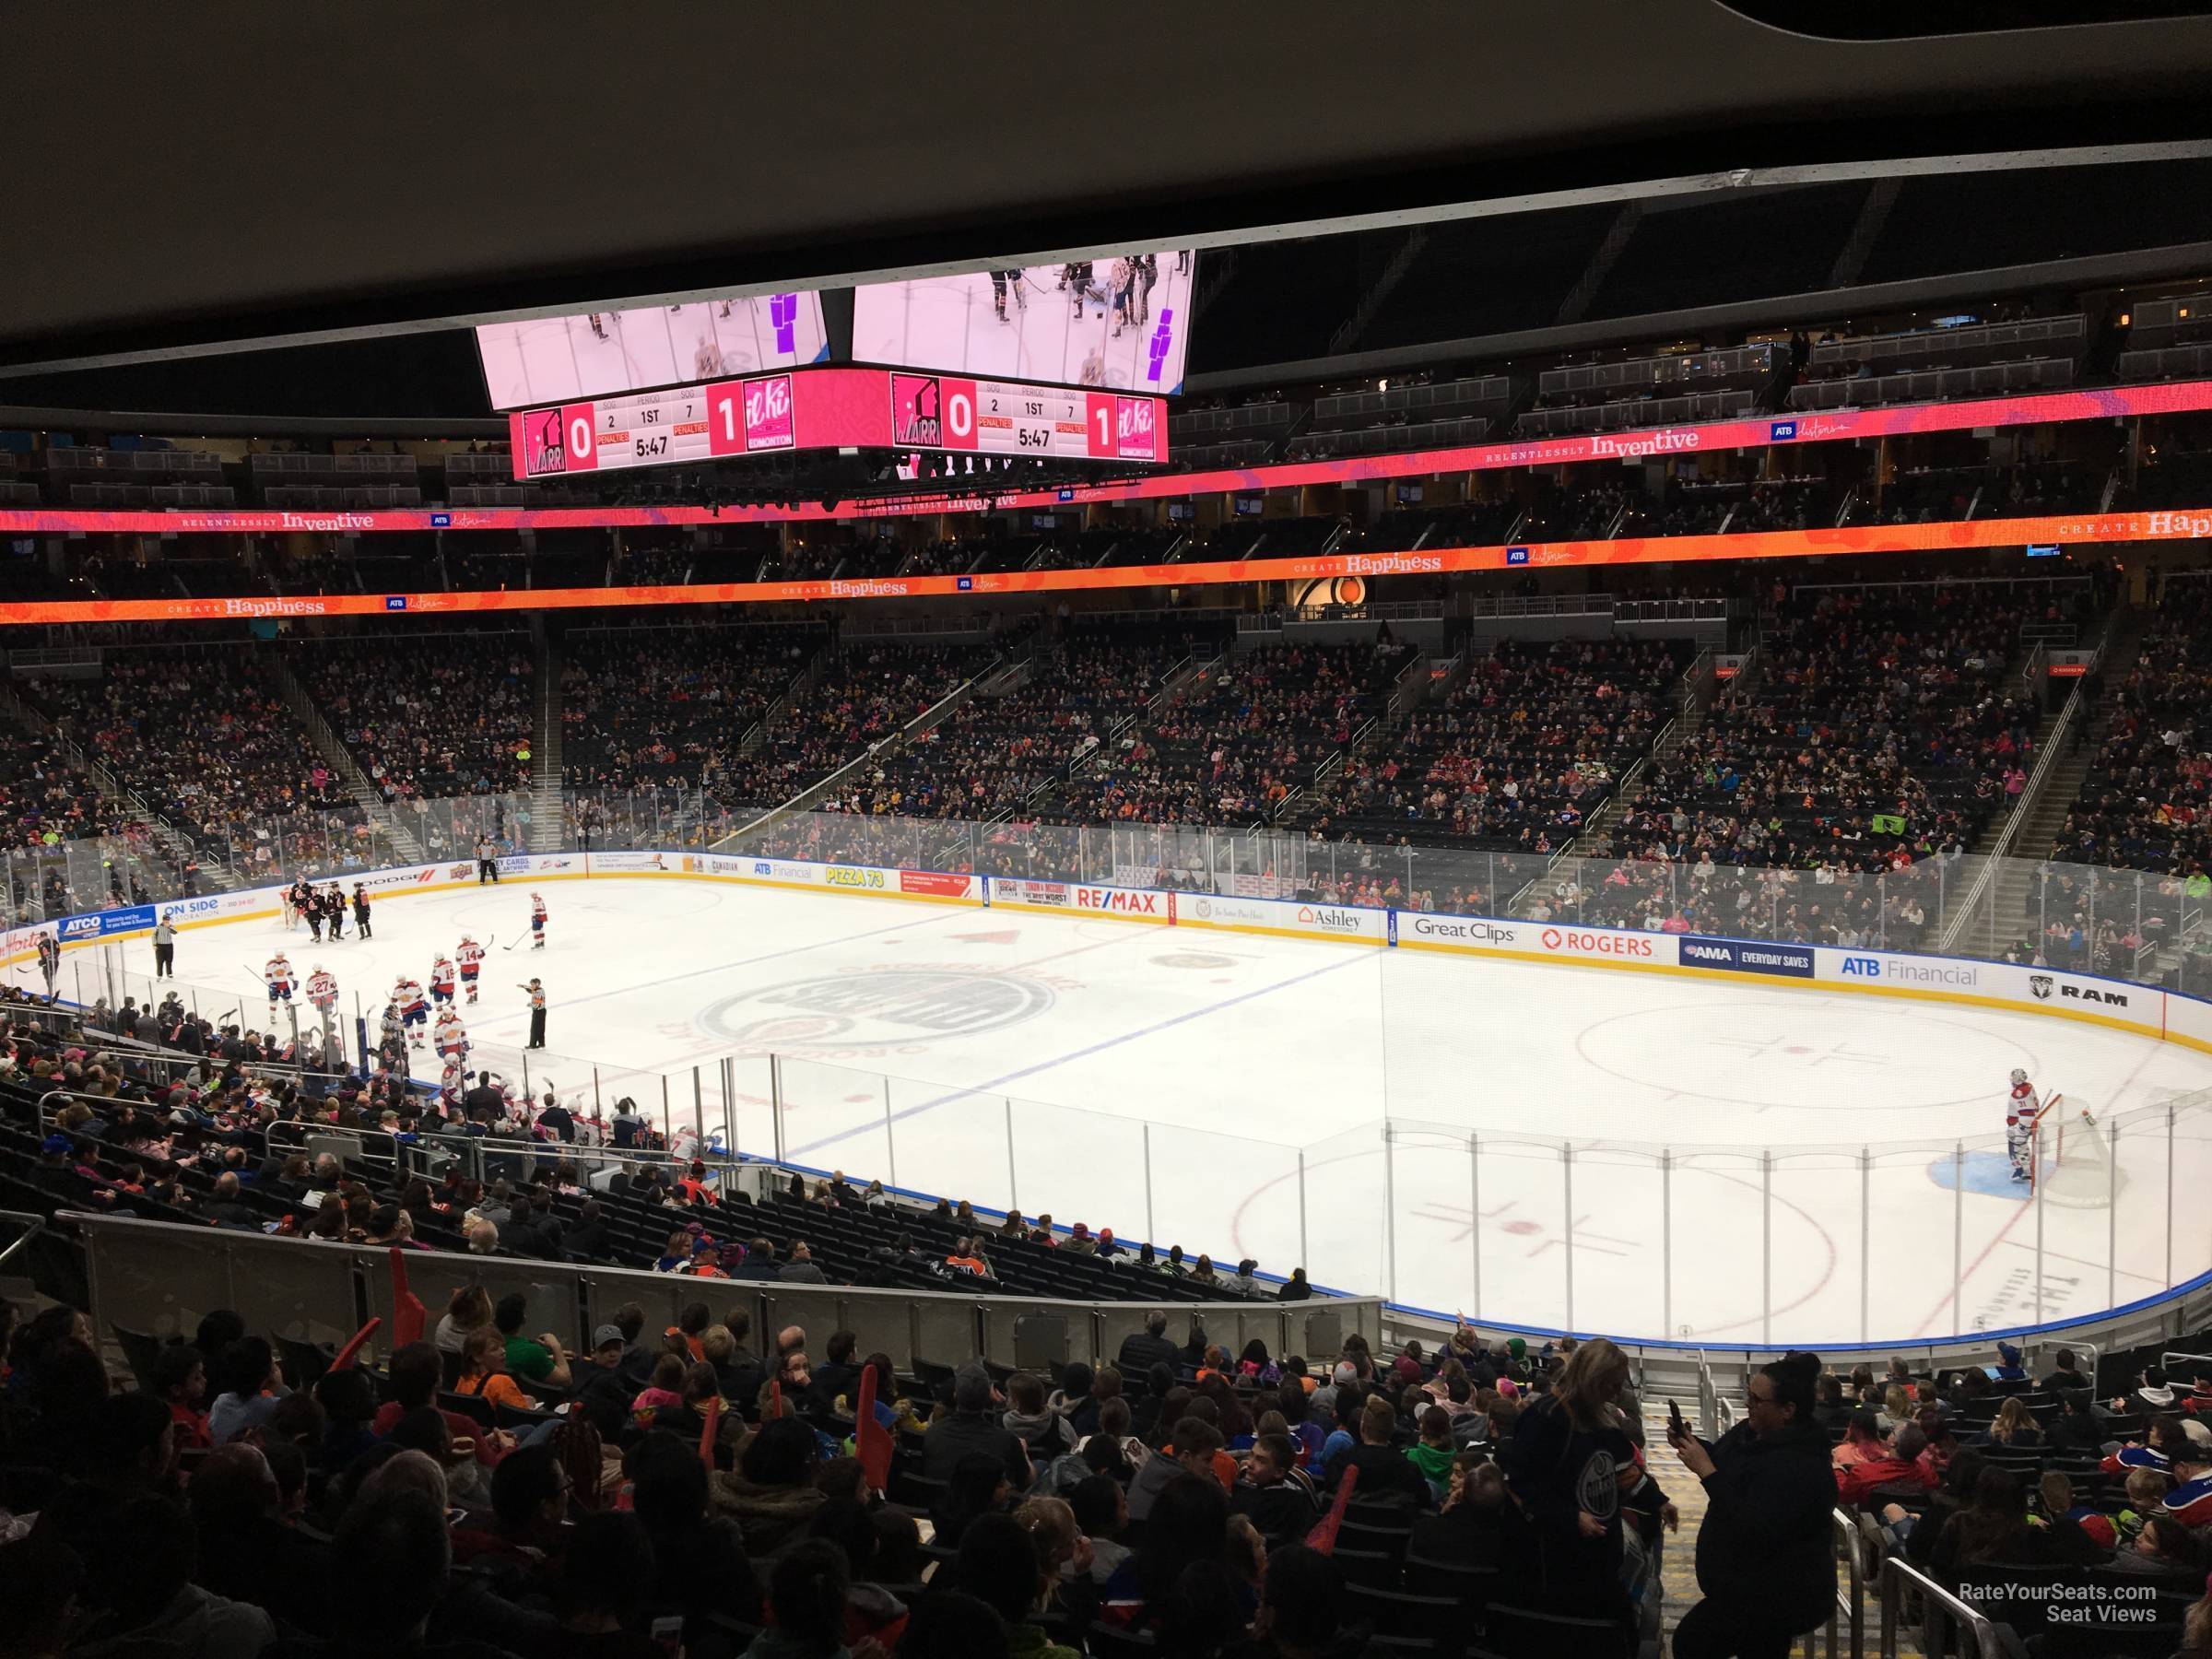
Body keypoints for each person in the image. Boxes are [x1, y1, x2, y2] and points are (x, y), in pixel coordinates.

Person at [1666, 1351, 1836, 1659]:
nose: (1749, 1405)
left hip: (1777, 1594)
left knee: (1693, 1642)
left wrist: (1706, 1471)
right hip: (1746, 1587)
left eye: (1758, 1400)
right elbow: (1723, 1462)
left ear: (1787, 1410)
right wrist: (1693, 1445)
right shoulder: (1751, 1432)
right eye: (1749, 1396)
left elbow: (1757, 1528)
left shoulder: (1803, 1464)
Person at [2006, 1067, 2041, 1182]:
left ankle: (2022, 1170)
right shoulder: (2030, 1087)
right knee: (2022, 1143)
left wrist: (2011, 1127)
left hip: (2024, 1123)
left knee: (2014, 1142)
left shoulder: (2014, 1096)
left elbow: (2012, 1118)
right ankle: (2028, 1167)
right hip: (2036, 1120)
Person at [521, 977, 547, 1049]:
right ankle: (542, 1043)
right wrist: (524, 986)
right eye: (531, 984)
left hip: (538, 1012)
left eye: (533, 984)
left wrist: (531, 1004)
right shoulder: (539, 989)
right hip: (541, 1011)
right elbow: (531, 990)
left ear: (537, 984)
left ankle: (532, 1045)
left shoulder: (538, 992)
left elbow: (538, 1003)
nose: (531, 986)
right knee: (540, 1028)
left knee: (534, 1029)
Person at [151, 912, 176, 979]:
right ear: (163, 920)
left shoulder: (171, 926)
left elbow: (175, 932)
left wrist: (169, 927)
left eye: (168, 920)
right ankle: (159, 975)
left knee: (169, 960)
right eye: (166, 920)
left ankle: (169, 973)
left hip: (169, 945)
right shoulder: (158, 927)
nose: (167, 921)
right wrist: (154, 944)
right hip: (160, 946)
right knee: (160, 961)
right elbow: (153, 936)